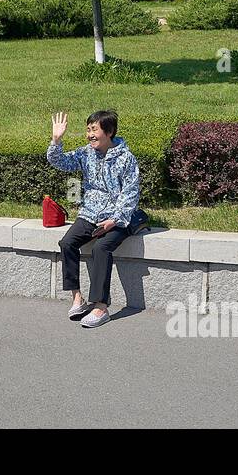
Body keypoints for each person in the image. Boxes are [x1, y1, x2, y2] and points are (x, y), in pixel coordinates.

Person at [46, 109, 145, 329]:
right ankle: (77, 299)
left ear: (108, 132)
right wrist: (56, 139)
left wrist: (115, 220)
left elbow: (130, 192)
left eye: (95, 130)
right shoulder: (85, 153)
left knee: (101, 248)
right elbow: (59, 161)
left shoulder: (126, 158)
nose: (90, 134)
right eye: (88, 129)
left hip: (118, 218)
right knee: (67, 243)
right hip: (90, 214)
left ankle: (101, 307)